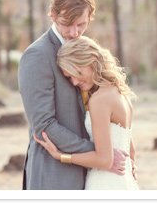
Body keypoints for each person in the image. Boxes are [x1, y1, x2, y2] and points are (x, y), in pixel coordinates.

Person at [18, 0, 132, 190]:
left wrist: (122, 156)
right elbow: (43, 125)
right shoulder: (37, 56)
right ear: (52, 14)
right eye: (66, 23)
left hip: (95, 173)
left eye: (81, 24)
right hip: (53, 175)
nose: (73, 32)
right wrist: (100, 153)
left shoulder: (87, 51)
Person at [34, 36, 139, 190]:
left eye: (78, 72)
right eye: (69, 77)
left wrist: (61, 156)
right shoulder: (122, 95)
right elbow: (131, 152)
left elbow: (105, 161)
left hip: (104, 183)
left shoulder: (99, 100)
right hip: (124, 182)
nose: (75, 82)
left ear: (93, 61)